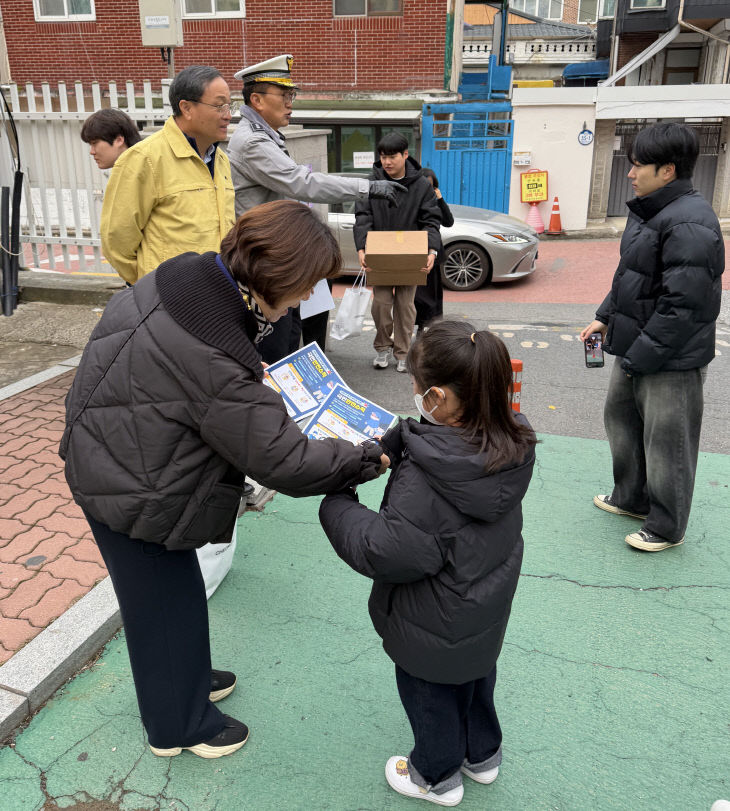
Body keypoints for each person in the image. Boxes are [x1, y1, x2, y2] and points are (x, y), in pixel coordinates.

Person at [60, 200, 389, 760]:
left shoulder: (188, 273)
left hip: (114, 447)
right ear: (277, 280)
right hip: (130, 481)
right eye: (307, 287)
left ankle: (182, 676)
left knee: (175, 590)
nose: (309, 300)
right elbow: (287, 462)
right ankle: (177, 726)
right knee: (159, 605)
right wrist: (365, 456)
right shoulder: (215, 360)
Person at [320, 321, 536, 806]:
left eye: (416, 388)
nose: (413, 396)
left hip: (429, 619)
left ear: (437, 398)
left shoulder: (427, 481)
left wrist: (337, 503)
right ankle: (482, 757)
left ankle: (434, 776)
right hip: (482, 605)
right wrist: (396, 441)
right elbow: (423, 441)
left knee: (430, 693)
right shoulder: (510, 438)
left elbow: (385, 550)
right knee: (477, 677)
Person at [580, 122, 724, 552]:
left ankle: (666, 526)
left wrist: (640, 355)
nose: (630, 172)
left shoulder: (691, 223)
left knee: (668, 443)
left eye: (639, 164)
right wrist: (604, 317)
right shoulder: (650, 211)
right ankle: (631, 497)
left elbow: (684, 306)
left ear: (668, 170)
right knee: (621, 421)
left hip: (670, 359)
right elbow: (631, 276)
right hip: (636, 347)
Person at [227, 55, 405, 363]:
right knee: (275, 355)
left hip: (279, 258)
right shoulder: (253, 143)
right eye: (283, 96)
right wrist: (368, 187)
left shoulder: (265, 136)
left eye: (290, 95)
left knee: (289, 344)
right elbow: (303, 183)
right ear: (256, 99)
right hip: (268, 264)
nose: (290, 103)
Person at [100, 65, 235, 286]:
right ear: (187, 108)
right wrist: (152, 287)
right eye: (219, 106)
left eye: (230, 106)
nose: (228, 116)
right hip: (168, 301)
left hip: (217, 294)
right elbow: (117, 242)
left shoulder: (220, 160)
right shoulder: (145, 159)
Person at [354, 132, 442, 373]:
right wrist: (361, 248)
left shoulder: (422, 184)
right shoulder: (371, 183)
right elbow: (363, 216)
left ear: (405, 154)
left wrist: (431, 250)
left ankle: (403, 353)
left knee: (405, 306)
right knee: (381, 305)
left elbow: (431, 219)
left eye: (392, 156)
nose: (387, 162)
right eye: (383, 157)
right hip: (380, 256)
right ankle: (382, 348)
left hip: (410, 256)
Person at [415, 168, 454, 330]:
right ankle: (418, 325)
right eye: (425, 185)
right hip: (415, 251)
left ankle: (430, 328)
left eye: (431, 186)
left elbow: (448, 221)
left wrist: (440, 199)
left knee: (433, 296)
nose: (428, 189)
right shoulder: (414, 199)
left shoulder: (435, 201)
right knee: (417, 296)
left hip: (434, 253)